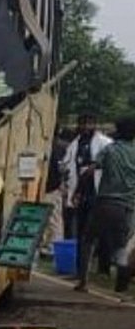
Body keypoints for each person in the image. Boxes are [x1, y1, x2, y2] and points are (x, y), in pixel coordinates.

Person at [76, 117, 135, 294]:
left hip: (104, 202)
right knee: (121, 245)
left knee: (88, 240)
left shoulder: (109, 150)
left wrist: (77, 191)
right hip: (127, 207)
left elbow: (90, 170)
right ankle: (121, 282)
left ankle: (83, 282)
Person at [63, 113, 111, 242]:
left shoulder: (105, 142)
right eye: (83, 123)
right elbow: (68, 165)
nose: (85, 127)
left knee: (95, 223)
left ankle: (92, 250)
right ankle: (81, 252)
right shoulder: (75, 143)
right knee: (81, 224)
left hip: (96, 189)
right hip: (80, 189)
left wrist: (95, 167)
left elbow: (109, 163)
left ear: (94, 125)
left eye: (89, 123)